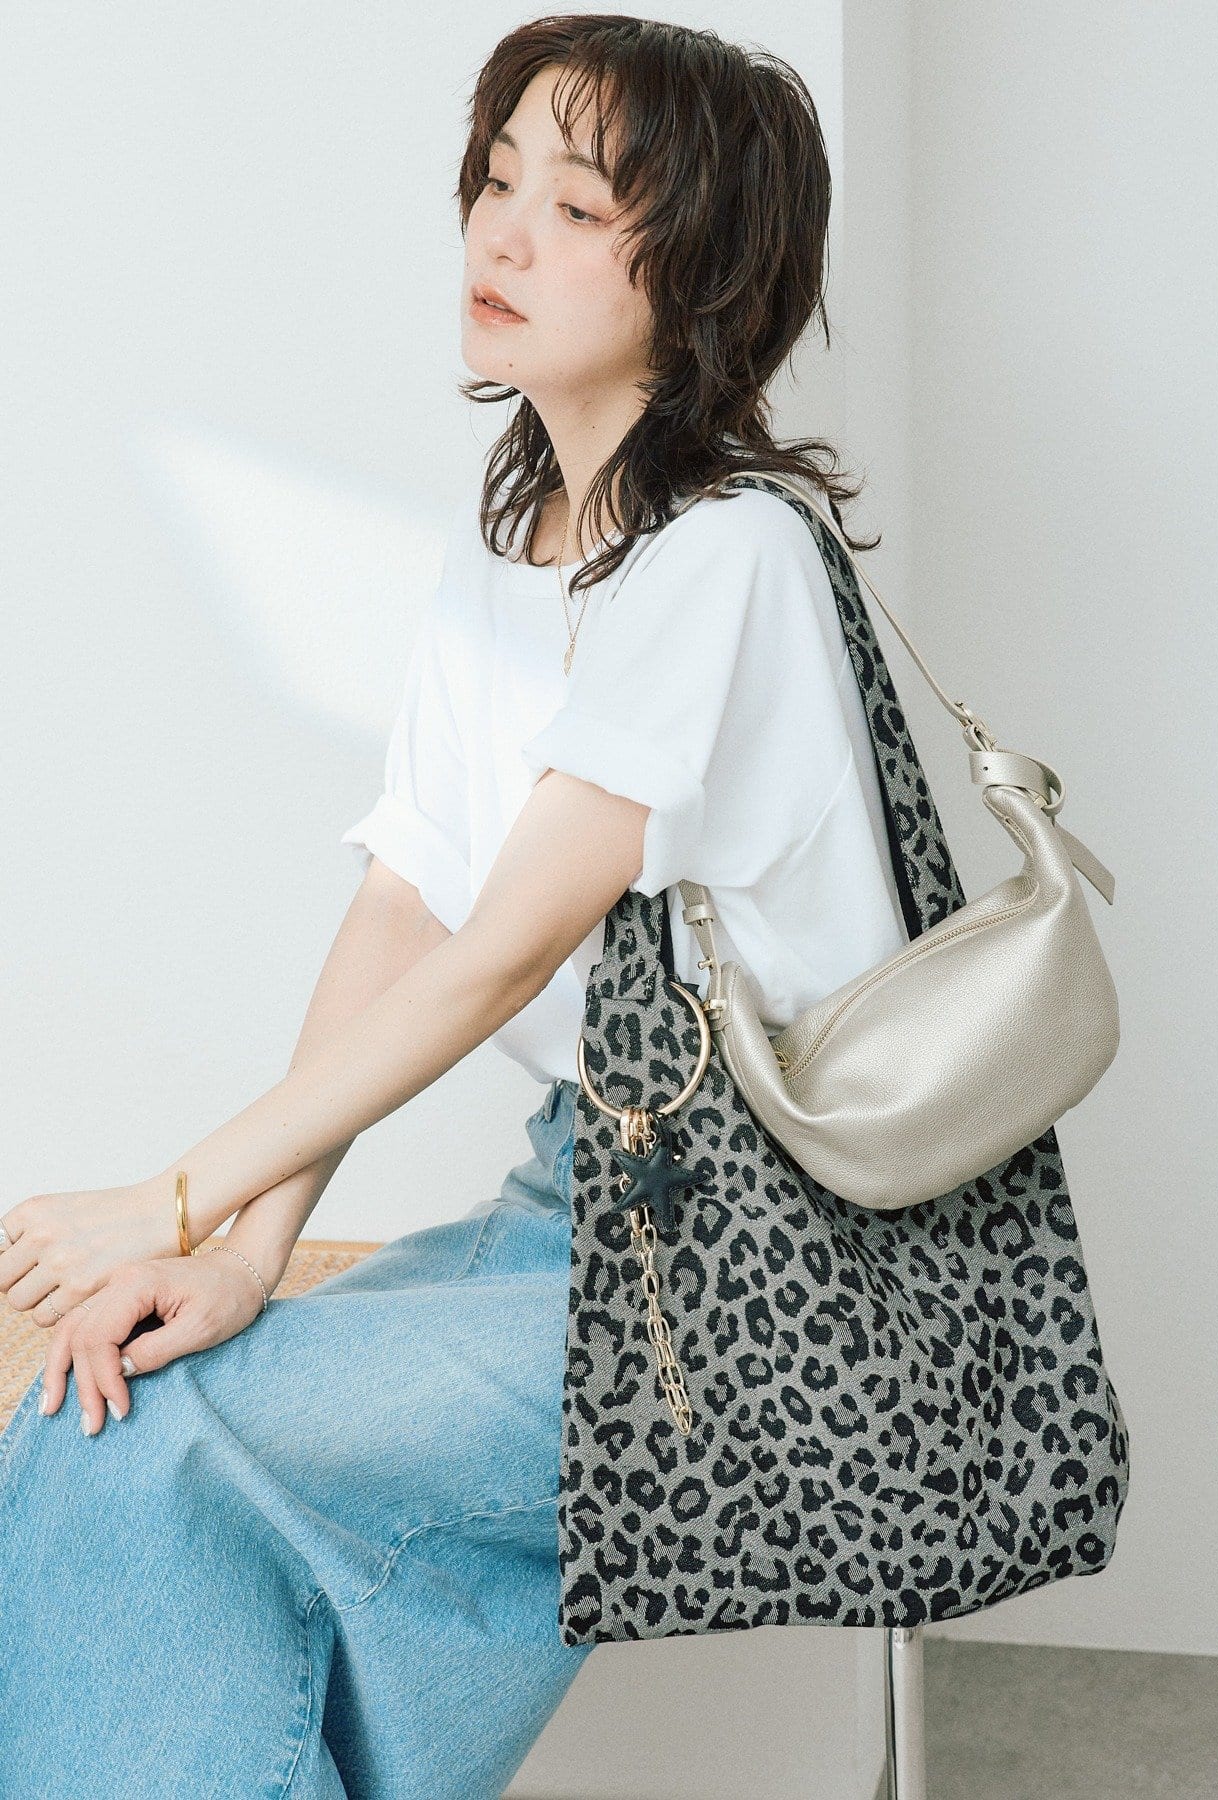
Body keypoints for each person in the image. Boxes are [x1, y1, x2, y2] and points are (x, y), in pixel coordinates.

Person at [0, 19, 910, 1797]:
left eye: (573, 207)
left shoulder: (730, 556)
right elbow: (404, 910)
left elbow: (507, 951)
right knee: (100, 1414)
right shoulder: (507, 563)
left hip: (758, 1273)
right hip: (571, 1212)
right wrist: (243, 1250)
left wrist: (169, 1191)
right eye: (496, 182)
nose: (500, 235)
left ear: (702, 268)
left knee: (147, 1437)